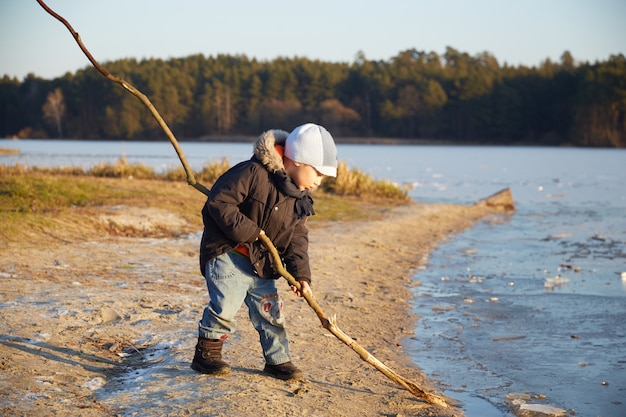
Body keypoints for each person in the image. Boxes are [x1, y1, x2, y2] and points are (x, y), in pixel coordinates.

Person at [191, 123, 338, 381]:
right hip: (229, 255)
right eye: (317, 173)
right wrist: (250, 232)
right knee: (224, 306)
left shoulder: (301, 199)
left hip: (262, 265)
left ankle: (278, 361)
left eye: (323, 177)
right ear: (296, 161)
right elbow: (218, 202)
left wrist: (301, 275)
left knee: (271, 312)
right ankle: (206, 355)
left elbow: (297, 240)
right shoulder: (253, 172)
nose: (318, 181)